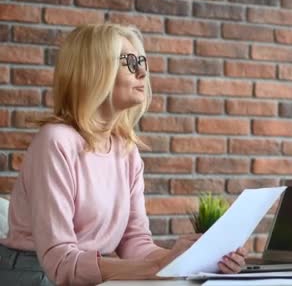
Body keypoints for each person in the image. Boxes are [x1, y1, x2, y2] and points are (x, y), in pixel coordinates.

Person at [0, 24, 247, 286]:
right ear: (94, 70)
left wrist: (190, 259)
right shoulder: (55, 141)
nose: (142, 71)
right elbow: (60, 263)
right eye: (129, 62)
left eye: (140, 61)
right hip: (35, 273)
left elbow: (135, 242)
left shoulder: (126, 151)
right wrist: (156, 267)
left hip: (93, 272)